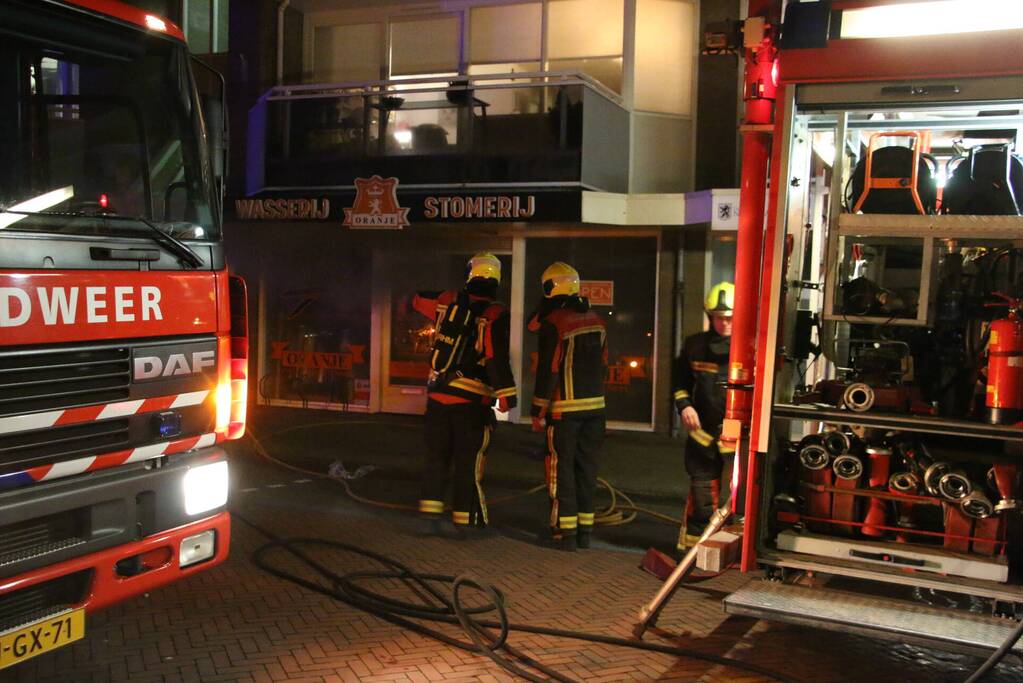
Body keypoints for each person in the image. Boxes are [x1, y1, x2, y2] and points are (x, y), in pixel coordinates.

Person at [412, 253, 517, 537]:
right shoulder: (495, 313)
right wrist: (507, 395)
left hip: (438, 396)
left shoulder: (447, 300)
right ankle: (465, 522)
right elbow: (495, 357)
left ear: (470, 274)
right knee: (467, 463)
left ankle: (428, 519)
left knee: (436, 458)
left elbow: (417, 299)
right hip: (472, 402)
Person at [530, 262, 608, 552]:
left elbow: (548, 370)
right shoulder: (597, 320)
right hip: (596, 410)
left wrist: (538, 410)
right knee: (587, 470)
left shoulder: (555, 323)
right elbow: (603, 363)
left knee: (561, 472)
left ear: (549, 288)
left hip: (564, 411)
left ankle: (565, 534)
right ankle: (584, 533)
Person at [672, 281, 735, 551]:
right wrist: (685, 406)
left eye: (729, 317)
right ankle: (694, 551)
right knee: (702, 499)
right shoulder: (695, 346)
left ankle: (730, 552)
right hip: (703, 435)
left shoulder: (750, 349)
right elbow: (679, 381)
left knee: (739, 500)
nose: (724, 323)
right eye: (719, 317)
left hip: (737, 439)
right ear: (710, 316)